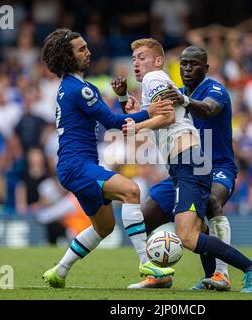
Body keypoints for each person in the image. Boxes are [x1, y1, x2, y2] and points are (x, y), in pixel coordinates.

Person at [112, 40, 252, 292]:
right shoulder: (173, 89)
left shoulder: (211, 89)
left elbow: (204, 110)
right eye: (183, 63)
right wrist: (123, 100)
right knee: (146, 218)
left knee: (205, 210)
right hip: (181, 168)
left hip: (209, 164)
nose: (186, 68)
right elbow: (147, 116)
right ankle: (162, 274)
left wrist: (174, 105)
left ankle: (226, 272)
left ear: (205, 68)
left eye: (193, 64)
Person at [40, 28, 174, 288]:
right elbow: (113, 121)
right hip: (78, 165)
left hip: (77, 166)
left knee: (104, 227)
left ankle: (60, 271)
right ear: (68, 56)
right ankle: (145, 261)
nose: (88, 52)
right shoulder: (81, 89)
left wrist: (126, 99)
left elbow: (117, 118)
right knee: (131, 190)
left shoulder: (71, 87)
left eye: (87, 47)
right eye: (81, 49)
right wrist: (150, 111)